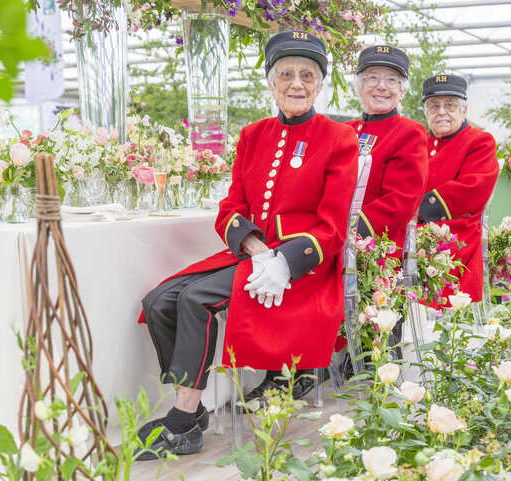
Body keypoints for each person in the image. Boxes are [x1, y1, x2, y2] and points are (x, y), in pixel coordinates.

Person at [136, 30, 359, 458]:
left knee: (196, 299)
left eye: (308, 75)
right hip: (252, 256)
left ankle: (182, 422)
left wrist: (283, 262)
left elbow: (333, 228)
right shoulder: (254, 134)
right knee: (159, 300)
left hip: (301, 267)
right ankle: (196, 408)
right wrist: (258, 250)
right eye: (287, 74)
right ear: (271, 83)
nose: (297, 83)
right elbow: (230, 207)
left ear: (320, 84)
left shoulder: (338, 138)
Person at [417, 74, 499, 305]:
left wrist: (415, 210)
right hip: (413, 230)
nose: (441, 111)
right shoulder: (418, 142)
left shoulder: (479, 141)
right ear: (426, 111)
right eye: (434, 106)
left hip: (455, 234)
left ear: (464, 110)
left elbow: (472, 188)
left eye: (450, 105)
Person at [346, 45, 428, 254]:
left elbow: (400, 201)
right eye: (372, 77)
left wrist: (348, 229)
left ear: (402, 91)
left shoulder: (410, 133)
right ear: (360, 86)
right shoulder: (344, 131)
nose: (381, 86)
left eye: (391, 80)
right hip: (332, 242)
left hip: (376, 249)